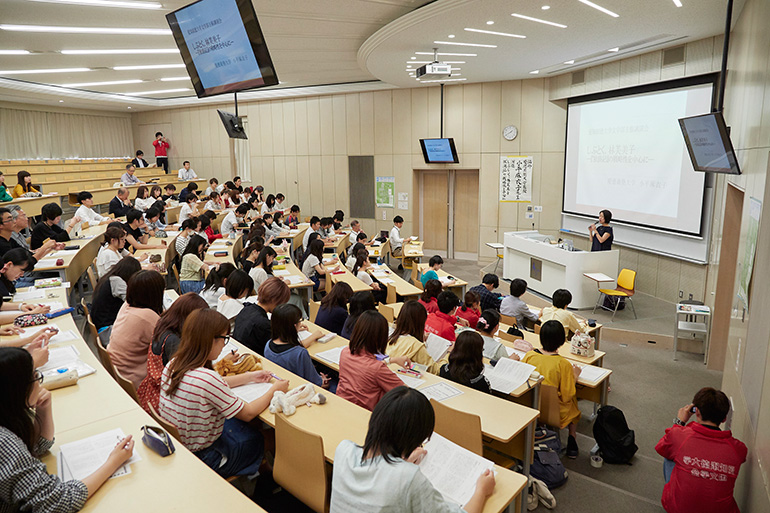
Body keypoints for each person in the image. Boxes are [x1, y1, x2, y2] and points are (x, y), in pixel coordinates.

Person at [0, 347, 136, 512]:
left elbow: (37, 448)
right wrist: (112, 462)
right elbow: (58, 503)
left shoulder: (8, 415)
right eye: (35, 377)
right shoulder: (5, 442)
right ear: (17, 390)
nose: (39, 382)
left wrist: (44, 409)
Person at [159, 309, 289, 476]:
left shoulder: (175, 363)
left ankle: (260, 471)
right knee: (271, 436)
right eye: (224, 339)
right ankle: (268, 482)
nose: (224, 345)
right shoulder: (206, 378)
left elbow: (214, 385)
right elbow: (248, 413)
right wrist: (274, 390)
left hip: (185, 445)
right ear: (210, 340)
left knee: (249, 424)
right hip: (207, 457)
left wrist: (248, 377)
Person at [331, 385, 495, 512]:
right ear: (411, 439)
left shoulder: (343, 450)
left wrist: (400, 462)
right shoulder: (408, 477)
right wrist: (481, 490)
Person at [655, 387, 747, 513]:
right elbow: (741, 456)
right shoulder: (738, 449)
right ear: (724, 418)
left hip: (679, 509)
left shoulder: (680, 436)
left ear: (696, 411)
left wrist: (679, 422)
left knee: (670, 452)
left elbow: (662, 446)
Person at [137, 292, 208, 412]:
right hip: (166, 401)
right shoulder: (174, 342)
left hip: (151, 393)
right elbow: (189, 381)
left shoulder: (163, 326)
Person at [522, 320, 582, 458]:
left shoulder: (530, 356)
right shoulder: (563, 364)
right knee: (573, 401)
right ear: (562, 340)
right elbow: (568, 394)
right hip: (555, 412)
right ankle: (572, 437)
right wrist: (575, 376)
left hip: (531, 405)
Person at [336, 311, 410, 411]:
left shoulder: (345, 352)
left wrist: (392, 360)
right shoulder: (377, 369)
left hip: (342, 405)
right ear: (381, 338)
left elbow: (365, 367)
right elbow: (405, 393)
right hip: (366, 414)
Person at [107, 270, 165, 387]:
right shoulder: (146, 316)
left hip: (118, 371)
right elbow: (167, 341)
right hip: (135, 379)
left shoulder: (127, 305)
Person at [264, 303, 332, 389]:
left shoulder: (268, 345)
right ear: (294, 326)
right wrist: (323, 380)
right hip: (300, 389)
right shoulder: (300, 353)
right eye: (299, 321)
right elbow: (318, 384)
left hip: (281, 385)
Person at [233, 277, 290, 355]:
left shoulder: (246, 309)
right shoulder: (263, 324)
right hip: (256, 359)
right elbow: (282, 345)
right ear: (274, 300)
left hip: (241, 353)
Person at [90, 257, 142, 341]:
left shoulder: (109, 277)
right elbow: (132, 300)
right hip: (107, 330)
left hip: (102, 324)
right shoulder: (117, 282)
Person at [387, 299, 445, 374]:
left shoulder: (390, 336)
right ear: (420, 323)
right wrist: (448, 355)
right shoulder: (416, 345)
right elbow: (436, 371)